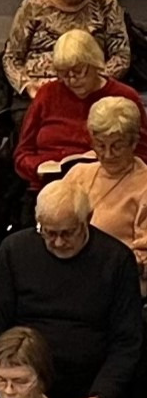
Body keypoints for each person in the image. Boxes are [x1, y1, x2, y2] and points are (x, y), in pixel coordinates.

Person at [0, 180, 144, 398]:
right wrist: (13, 383)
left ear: (88, 220)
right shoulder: (14, 251)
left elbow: (126, 341)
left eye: (67, 233)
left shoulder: (116, 260)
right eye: (48, 233)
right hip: (22, 378)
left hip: (91, 385)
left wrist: (98, 396)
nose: (57, 242)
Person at [16, 30, 147, 193]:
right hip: (51, 186)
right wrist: (38, 168)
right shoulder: (48, 94)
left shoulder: (124, 96)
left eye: (78, 71)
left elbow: (142, 153)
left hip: (108, 186)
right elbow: (22, 154)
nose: (71, 80)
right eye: (63, 74)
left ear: (95, 64)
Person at [3, 0, 132, 100]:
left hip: (91, 90)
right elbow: (11, 57)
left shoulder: (104, 3)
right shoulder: (33, 5)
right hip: (40, 90)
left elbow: (121, 56)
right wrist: (27, 85)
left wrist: (96, 81)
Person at [62, 96, 147, 293]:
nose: (107, 155)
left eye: (117, 146)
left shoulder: (143, 185)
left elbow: (142, 260)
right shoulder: (78, 173)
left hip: (116, 283)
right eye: (100, 145)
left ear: (134, 143)